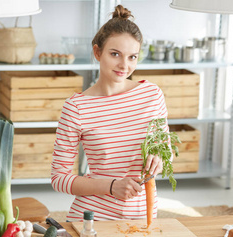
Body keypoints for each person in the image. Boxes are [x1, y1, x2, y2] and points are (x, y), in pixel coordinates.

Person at [51, 5, 169, 221]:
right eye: (115, 54)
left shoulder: (152, 96)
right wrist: (112, 186)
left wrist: (158, 159)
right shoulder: (76, 108)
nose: (124, 65)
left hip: (142, 215)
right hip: (91, 218)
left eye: (132, 57)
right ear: (97, 52)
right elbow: (59, 178)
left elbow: (164, 152)